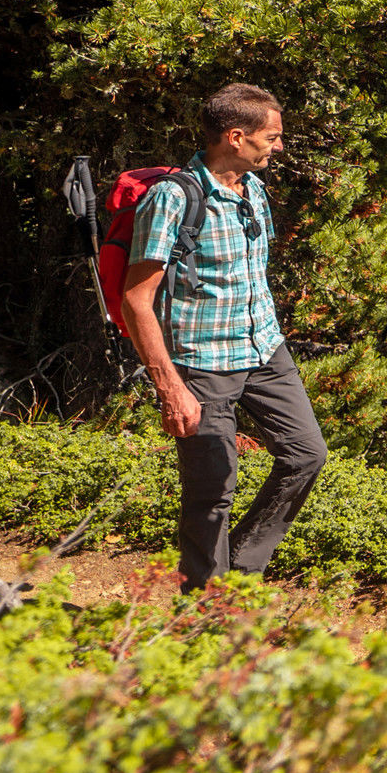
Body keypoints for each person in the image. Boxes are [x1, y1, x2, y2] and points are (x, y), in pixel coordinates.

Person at [120, 83, 327, 592]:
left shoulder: (252, 189)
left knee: (306, 453)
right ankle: (205, 612)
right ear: (235, 137)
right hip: (203, 360)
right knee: (212, 490)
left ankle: (238, 573)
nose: (279, 146)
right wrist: (169, 386)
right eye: (271, 137)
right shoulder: (172, 199)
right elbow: (135, 299)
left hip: (263, 350)